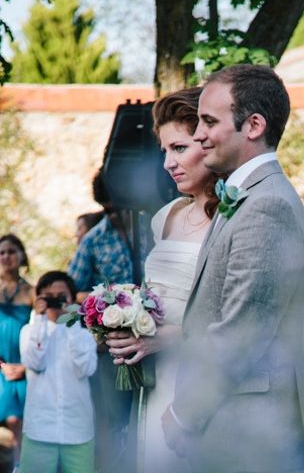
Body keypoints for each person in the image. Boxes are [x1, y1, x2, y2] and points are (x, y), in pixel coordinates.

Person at [161, 65, 304, 472]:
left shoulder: (267, 207)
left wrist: (183, 415)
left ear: (253, 125)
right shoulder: (247, 196)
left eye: (209, 121)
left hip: (249, 437)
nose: (197, 134)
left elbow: (240, 333)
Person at [104, 86, 224, 473]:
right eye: (164, 152)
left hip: (200, 378)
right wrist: (125, 317)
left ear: (209, 143)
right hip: (153, 378)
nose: (168, 163)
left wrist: (164, 337)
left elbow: (238, 316)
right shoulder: (167, 216)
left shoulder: (234, 220)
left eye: (179, 148)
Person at [68, 168, 134, 472]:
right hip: (112, 349)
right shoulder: (94, 241)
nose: (117, 214)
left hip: (158, 341)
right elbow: (69, 293)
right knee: (114, 421)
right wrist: (105, 300)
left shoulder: (155, 226)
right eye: (109, 209)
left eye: (121, 206)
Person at [19, 271, 97, 473]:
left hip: (77, 430)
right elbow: (34, 361)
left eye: (62, 296)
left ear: (72, 300)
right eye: (49, 296)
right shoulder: (29, 331)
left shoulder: (85, 335)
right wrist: (39, 319)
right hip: (39, 429)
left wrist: (71, 321)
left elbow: (86, 368)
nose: (56, 301)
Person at [0, 234, 32, 461]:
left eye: (11, 251)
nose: (6, 256)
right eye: (1, 252)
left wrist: (24, 366)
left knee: (17, 423)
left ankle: (20, 466)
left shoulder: (33, 291)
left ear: (22, 256)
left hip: (20, 367)